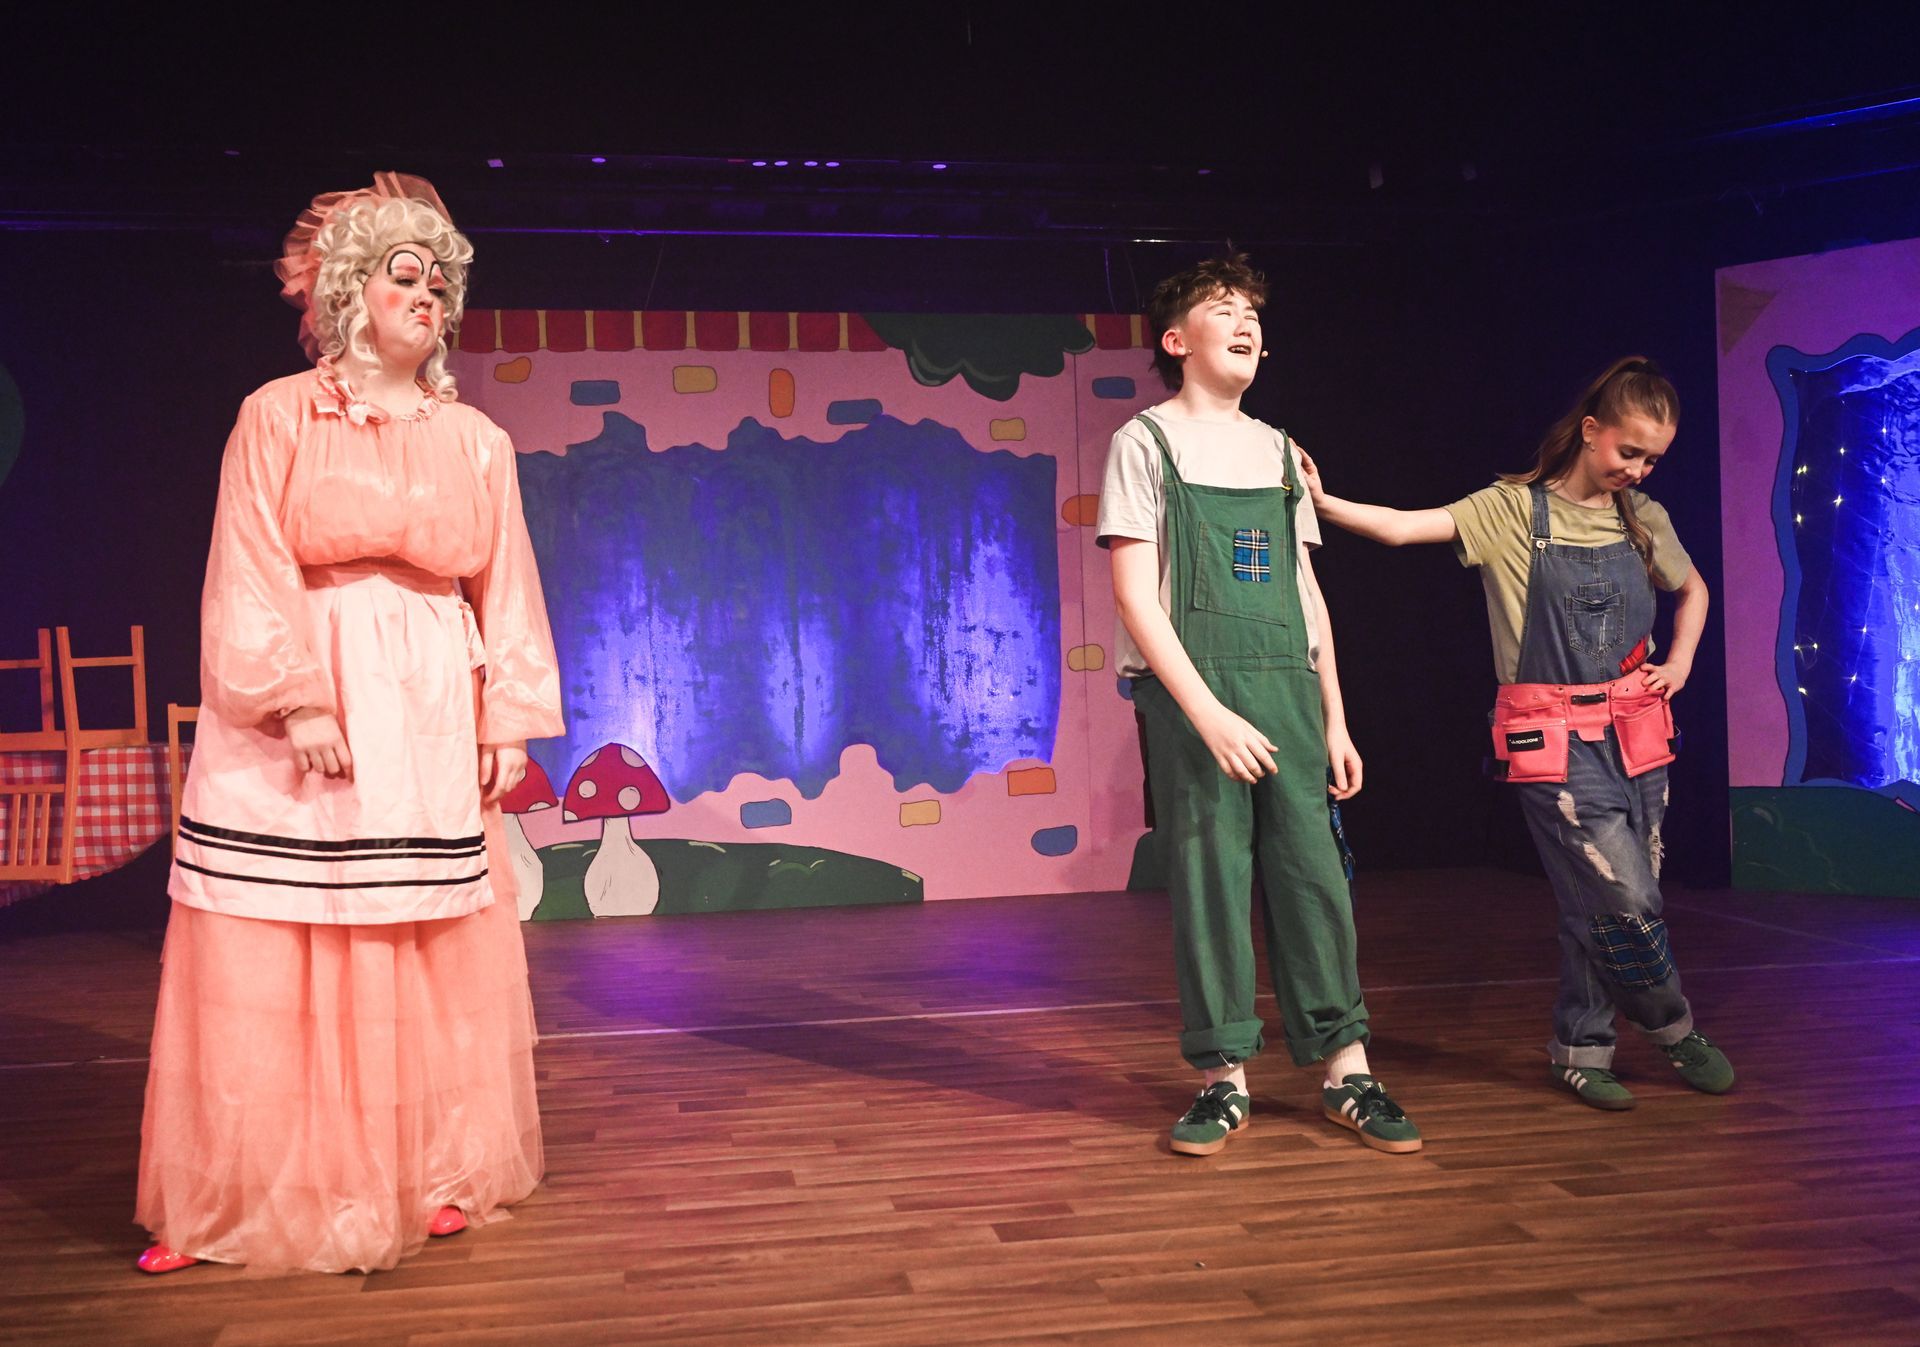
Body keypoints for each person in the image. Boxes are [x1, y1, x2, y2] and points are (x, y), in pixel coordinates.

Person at [135, 173, 565, 1274]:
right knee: (276, 934)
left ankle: (431, 1171)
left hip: (426, 698)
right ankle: (234, 1195)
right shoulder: (278, 414)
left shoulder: (477, 439)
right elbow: (248, 559)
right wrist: (298, 694)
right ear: (346, 292)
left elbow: (506, 585)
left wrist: (509, 718)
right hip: (306, 695)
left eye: (439, 283)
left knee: (415, 934)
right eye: (402, 275)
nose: (427, 296)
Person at [1299, 357, 1734, 1110]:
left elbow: (1692, 588)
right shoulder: (1510, 512)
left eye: (1652, 458)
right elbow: (1402, 528)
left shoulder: (1642, 518)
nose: (1638, 469)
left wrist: (1682, 662)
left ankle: (1581, 1051)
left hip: (1638, 731)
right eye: (1629, 451)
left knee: (1599, 904)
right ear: (1590, 430)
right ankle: (1674, 1028)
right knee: (1627, 898)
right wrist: (1321, 500)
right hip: (1553, 741)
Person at [1097, 254, 1421, 1157]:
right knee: (1210, 880)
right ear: (1176, 340)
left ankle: (1347, 1068)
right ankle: (1223, 1077)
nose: (1244, 322)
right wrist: (1206, 713)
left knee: (1314, 879)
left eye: (1252, 312)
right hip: (1191, 695)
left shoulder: (1280, 450)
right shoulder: (1143, 442)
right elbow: (1135, 597)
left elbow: (1307, 593)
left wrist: (1335, 716)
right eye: (1221, 308)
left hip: (1286, 688)